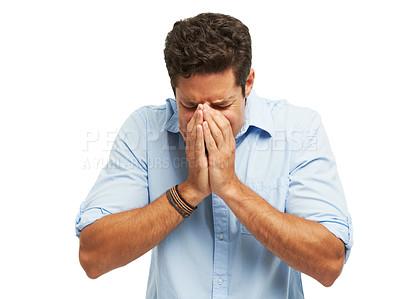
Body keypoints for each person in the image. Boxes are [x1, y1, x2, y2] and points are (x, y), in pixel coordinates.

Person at [75, 13, 353, 298]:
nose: (204, 120)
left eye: (221, 105)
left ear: (248, 83)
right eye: (190, 104)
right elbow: (93, 258)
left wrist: (231, 188)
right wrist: (189, 191)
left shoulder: (298, 130)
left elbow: (329, 264)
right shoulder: (145, 130)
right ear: (174, 90)